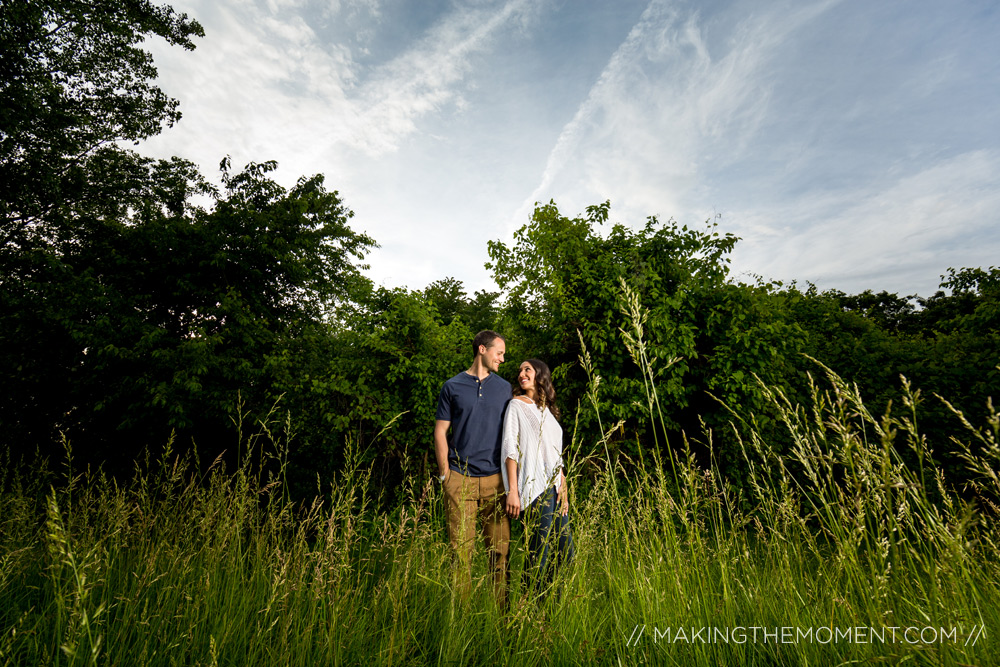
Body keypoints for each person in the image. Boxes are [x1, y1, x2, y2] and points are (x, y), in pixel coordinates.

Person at [434, 330, 511, 608]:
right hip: (460, 480)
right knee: (460, 556)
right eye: (499, 353)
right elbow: (441, 431)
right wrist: (445, 475)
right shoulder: (452, 386)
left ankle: (501, 620)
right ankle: (460, 622)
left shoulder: (504, 388)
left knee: (499, 556)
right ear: (482, 350)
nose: (502, 358)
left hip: (496, 482)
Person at [502, 358, 574, 596]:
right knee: (538, 556)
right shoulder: (516, 405)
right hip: (534, 489)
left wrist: (563, 484)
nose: (522, 374)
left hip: (554, 487)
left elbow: (555, 454)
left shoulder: (548, 411)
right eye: (520, 370)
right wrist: (513, 490)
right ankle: (528, 612)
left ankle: (549, 604)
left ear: (540, 374)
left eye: (527, 369)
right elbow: (510, 448)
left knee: (566, 552)